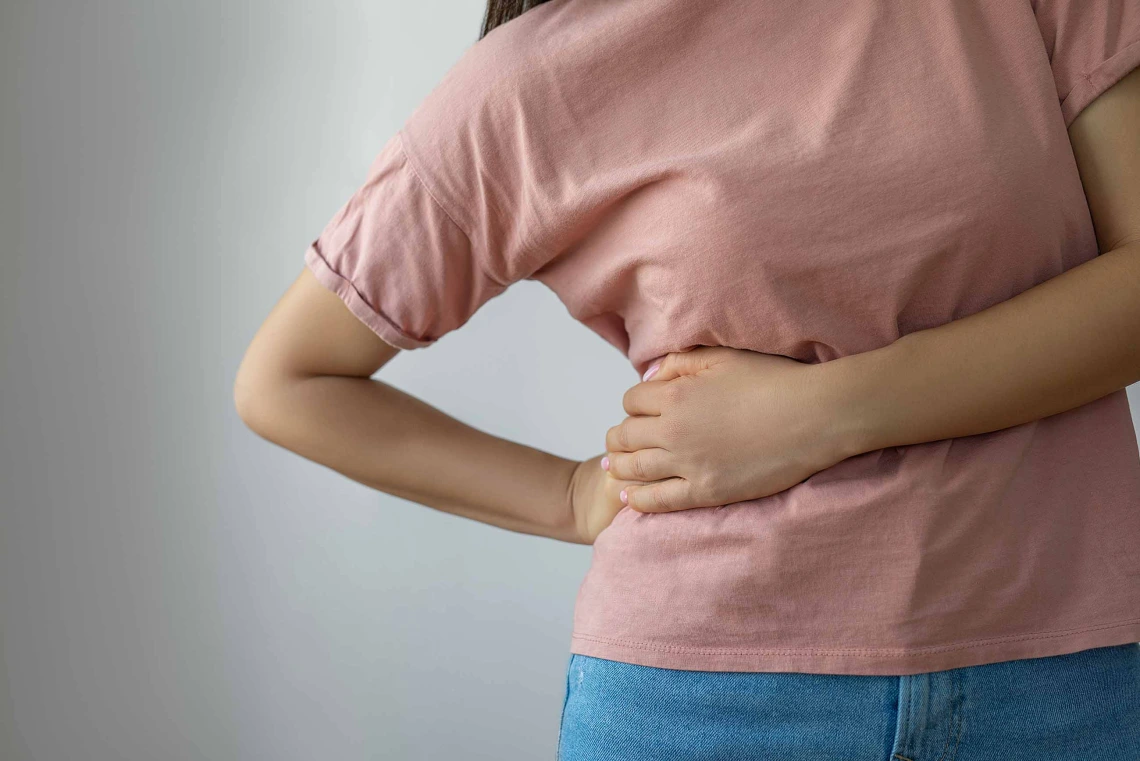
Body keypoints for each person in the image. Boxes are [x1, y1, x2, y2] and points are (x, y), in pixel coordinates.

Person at [234, 0, 1140, 757]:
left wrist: (827, 414)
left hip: (1072, 678)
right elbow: (288, 379)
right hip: (705, 703)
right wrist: (572, 495)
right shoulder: (525, 85)